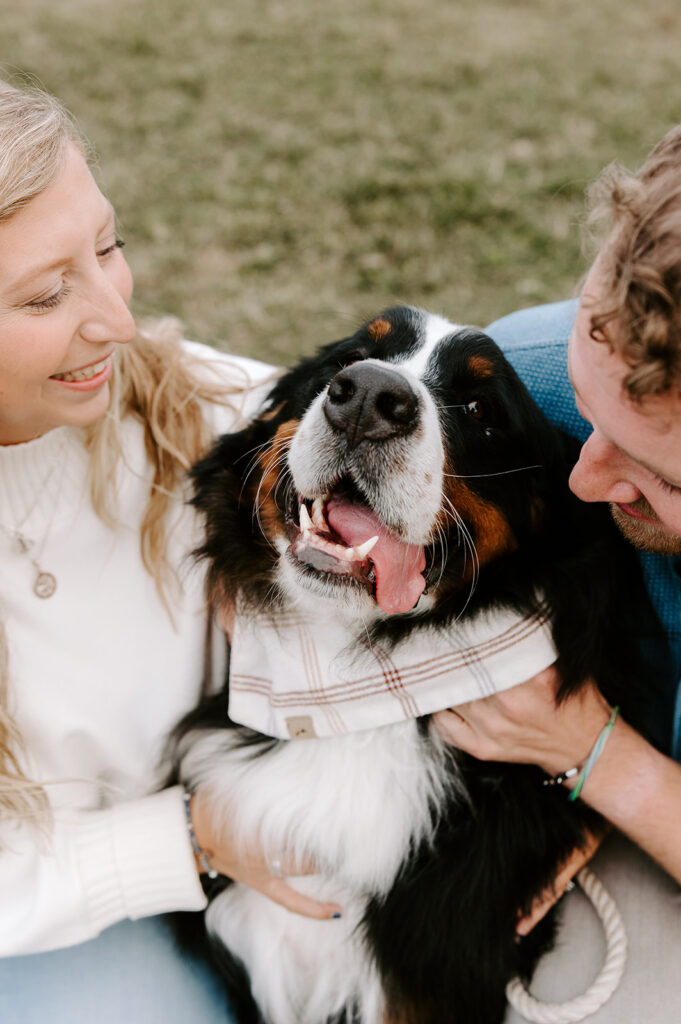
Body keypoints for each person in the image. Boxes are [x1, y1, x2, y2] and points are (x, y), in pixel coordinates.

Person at [0, 79, 339, 1024]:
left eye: (106, 246)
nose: (114, 317)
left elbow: (372, 429)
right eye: (43, 296)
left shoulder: (182, 406)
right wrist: (194, 839)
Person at [435, 126, 681, 1021]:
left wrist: (598, 760)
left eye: (660, 477)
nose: (582, 476)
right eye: (586, 405)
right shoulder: (523, 381)